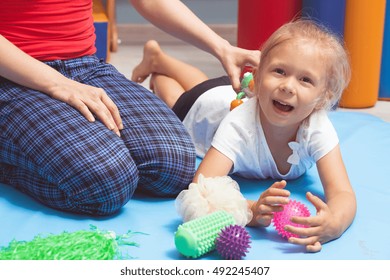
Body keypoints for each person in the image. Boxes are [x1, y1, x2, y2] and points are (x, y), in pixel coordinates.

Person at [0, 1, 258, 216]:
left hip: (85, 66)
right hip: (12, 75)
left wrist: (222, 48)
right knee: (105, 186)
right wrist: (58, 84)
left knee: (174, 167)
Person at [132, 19, 356, 252]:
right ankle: (158, 70)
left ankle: (158, 57)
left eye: (305, 79)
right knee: (178, 99)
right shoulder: (239, 126)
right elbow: (200, 187)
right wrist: (250, 209)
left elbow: (343, 193)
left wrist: (335, 222)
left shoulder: (317, 126)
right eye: (279, 71)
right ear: (257, 77)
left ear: (323, 97)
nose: (288, 86)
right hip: (203, 109)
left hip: (230, 96)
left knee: (205, 85)